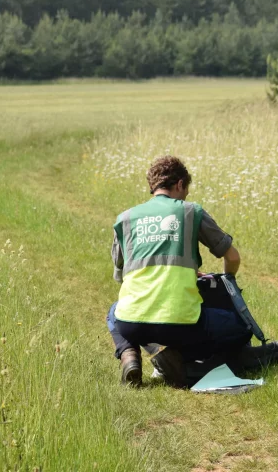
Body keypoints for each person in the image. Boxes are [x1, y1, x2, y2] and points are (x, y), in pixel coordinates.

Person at [106, 155, 252, 388]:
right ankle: (184, 362)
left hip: (133, 323)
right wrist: (228, 282)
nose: (186, 196)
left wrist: (183, 272)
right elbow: (232, 256)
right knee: (240, 329)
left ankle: (129, 355)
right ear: (180, 184)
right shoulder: (190, 211)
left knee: (114, 312)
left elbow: (122, 276)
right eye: (186, 190)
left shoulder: (124, 219)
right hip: (182, 324)